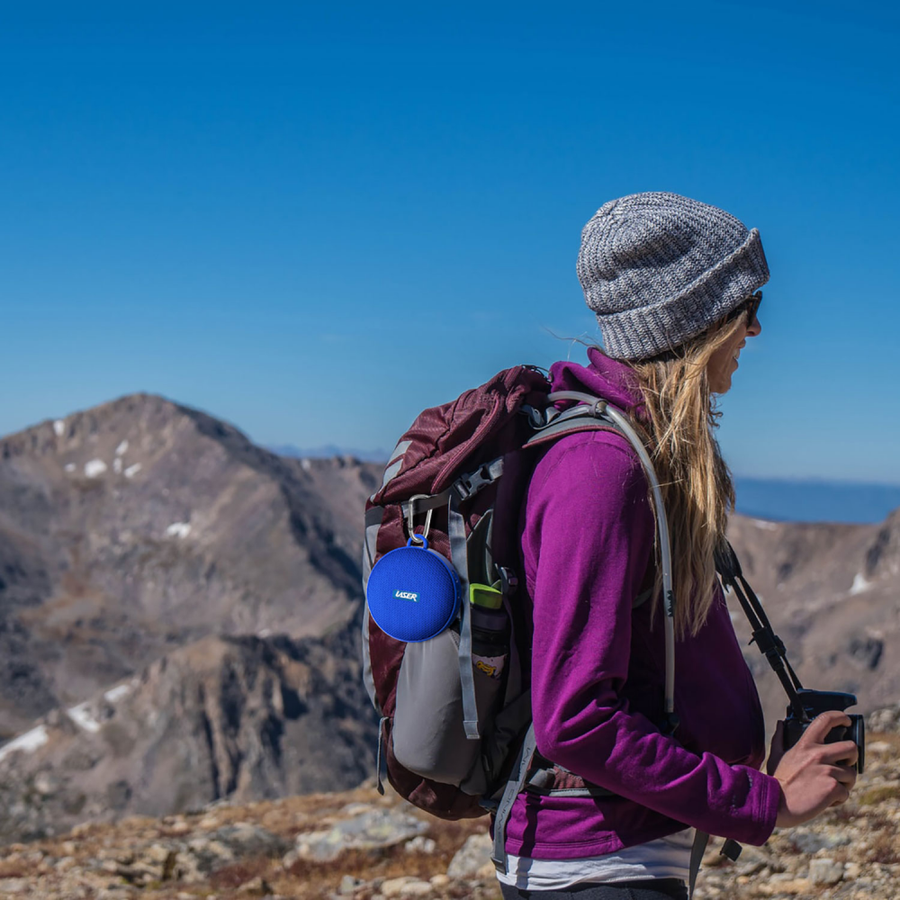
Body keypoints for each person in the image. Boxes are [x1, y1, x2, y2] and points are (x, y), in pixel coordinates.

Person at [497, 193, 858, 900]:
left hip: (625, 857)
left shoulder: (641, 457)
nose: (754, 331)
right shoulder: (602, 469)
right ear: (695, 322)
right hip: (596, 868)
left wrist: (753, 769)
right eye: (745, 308)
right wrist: (763, 804)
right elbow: (575, 720)